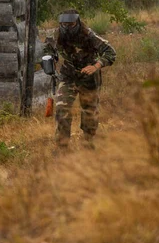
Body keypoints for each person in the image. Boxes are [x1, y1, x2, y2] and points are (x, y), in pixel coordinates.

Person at [44, 9, 116, 151]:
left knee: (89, 111)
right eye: (64, 24)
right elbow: (47, 50)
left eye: (70, 24)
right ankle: (62, 147)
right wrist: (49, 61)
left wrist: (95, 66)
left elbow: (110, 52)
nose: (67, 27)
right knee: (61, 109)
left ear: (77, 23)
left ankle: (88, 143)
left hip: (88, 77)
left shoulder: (89, 35)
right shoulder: (56, 34)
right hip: (68, 75)